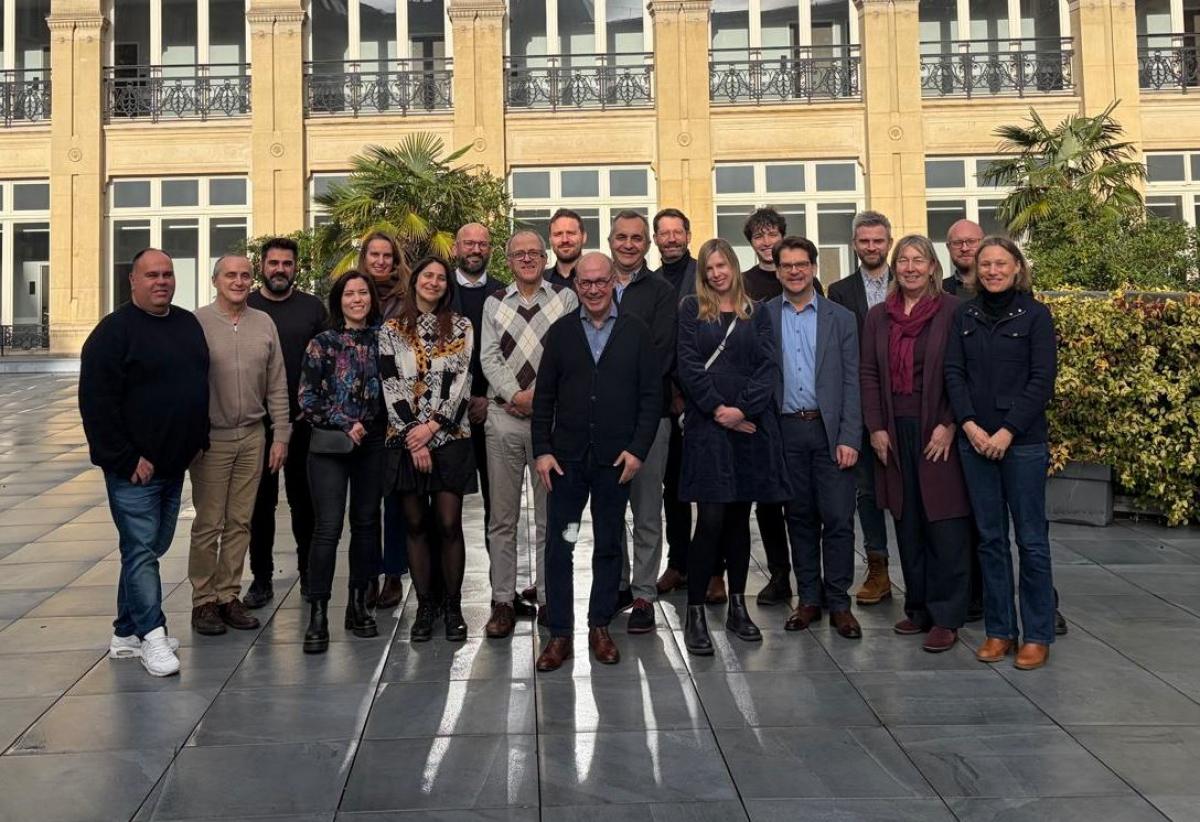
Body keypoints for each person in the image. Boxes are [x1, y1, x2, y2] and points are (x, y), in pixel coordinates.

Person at [80, 248, 208, 677]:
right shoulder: (112, 333)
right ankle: (153, 634)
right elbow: (96, 405)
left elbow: (198, 385)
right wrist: (126, 458)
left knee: (149, 548)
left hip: (174, 466)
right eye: (151, 275)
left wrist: (198, 439)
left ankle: (125, 634)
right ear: (132, 280)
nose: (161, 281)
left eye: (167, 274)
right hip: (134, 471)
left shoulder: (186, 324)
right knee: (140, 551)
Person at [531, 252, 662, 672]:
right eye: (585, 283)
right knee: (562, 545)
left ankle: (600, 626)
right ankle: (560, 634)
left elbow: (651, 396)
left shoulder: (635, 331)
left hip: (614, 463)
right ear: (576, 286)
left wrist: (638, 449)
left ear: (613, 283)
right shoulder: (562, 333)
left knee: (608, 544)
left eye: (601, 282)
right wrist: (543, 450)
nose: (593, 289)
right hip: (567, 465)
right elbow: (544, 397)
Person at [945, 237, 1058, 670]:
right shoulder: (964, 315)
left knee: (1031, 541)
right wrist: (970, 426)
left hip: (1022, 444)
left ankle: (1038, 634)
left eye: (1001, 264)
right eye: (985, 264)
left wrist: (1007, 432)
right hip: (975, 443)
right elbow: (953, 374)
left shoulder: (1035, 316)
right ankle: (1000, 631)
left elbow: (1041, 381)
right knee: (990, 541)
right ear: (976, 271)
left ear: (1017, 268)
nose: (993, 271)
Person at [676, 239, 789, 656]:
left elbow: (767, 367)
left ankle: (738, 607)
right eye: (709, 268)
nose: (716, 273)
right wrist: (718, 409)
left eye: (722, 265)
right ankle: (695, 612)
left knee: (740, 519)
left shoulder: (756, 312)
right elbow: (688, 365)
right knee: (710, 520)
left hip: (748, 430)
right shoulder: (691, 309)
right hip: (708, 431)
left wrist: (742, 410)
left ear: (734, 267)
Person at [860, 235, 971, 653]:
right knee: (907, 522)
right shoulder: (878, 316)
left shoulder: (953, 311)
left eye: (918, 260)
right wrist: (876, 427)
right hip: (894, 429)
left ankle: (947, 616)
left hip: (937, 430)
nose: (910, 268)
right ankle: (919, 607)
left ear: (932, 267)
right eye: (903, 260)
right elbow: (869, 374)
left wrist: (950, 424)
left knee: (944, 523)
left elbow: (965, 373)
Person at [480, 230, 579, 638]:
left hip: (550, 423)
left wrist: (538, 398)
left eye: (534, 253)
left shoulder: (565, 299)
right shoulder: (493, 302)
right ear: (507, 260)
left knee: (547, 518)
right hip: (504, 418)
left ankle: (548, 597)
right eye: (518, 253)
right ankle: (503, 601)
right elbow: (489, 357)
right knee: (502, 519)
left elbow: (568, 354)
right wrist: (515, 395)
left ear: (545, 257)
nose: (526, 259)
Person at [767, 237, 863, 640]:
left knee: (838, 518)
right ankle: (808, 598)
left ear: (813, 267)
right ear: (777, 271)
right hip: (786, 431)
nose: (795, 271)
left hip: (830, 431)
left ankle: (839, 602)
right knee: (799, 517)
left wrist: (850, 436)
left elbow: (853, 380)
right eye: (787, 265)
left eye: (801, 264)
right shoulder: (763, 315)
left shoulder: (841, 318)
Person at [188, 254, 289, 637]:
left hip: (252, 436)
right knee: (209, 523)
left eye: (245, 275)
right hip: (211, 440)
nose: (239, 281)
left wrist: (281, 435)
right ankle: (203, 600)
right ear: (215, 280)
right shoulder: (197, 323)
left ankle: (228, 595)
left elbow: (277, 384)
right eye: (230, 275)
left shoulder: (263, 323)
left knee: (240, 521)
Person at [379, 256, 476, 642]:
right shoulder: (391, 329)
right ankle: (425, 606)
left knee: (449, 524)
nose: (433, 282)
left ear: (447, 286)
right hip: (405, 439)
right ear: (415, 280)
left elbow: (462, 382)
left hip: (450, 436)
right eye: (427, 276)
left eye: (441, 278)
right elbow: (390, 384)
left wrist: (432, 427)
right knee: (416, 524)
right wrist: (412, 435)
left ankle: (452, 607)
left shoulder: (461, 326)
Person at [297, 270, 386, 653]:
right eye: (349, 293)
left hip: (373, 444)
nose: (357, 299)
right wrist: (345, 422)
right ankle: (318, 613)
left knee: (366, 525)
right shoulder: (322, 343)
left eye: (363, 293)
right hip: (330, 446)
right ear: (339, 300)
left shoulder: (385, 340)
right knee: (328, 528)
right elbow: (307, 397)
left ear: (371, 299)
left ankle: (358, 605)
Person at [739, 206, 824, 608]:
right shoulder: (744, 284)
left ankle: (813, 576)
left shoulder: (807, 279)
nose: (766, 241)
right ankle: (778, 574)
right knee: (770, 499)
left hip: (803, 405)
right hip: (765, 406)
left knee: (807, 502)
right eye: (759, 235)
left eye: (772, 233)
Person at [245, 237, 327, 609]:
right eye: (274, 263)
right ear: (262, 266)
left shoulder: (312, 307)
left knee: (304, 503)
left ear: (296, 267)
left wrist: (313, 407)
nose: (280, 269)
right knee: (260, 506)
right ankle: (261, 579)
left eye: (287, 264)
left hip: (303, 421)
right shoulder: (247, 306)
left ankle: (309, 575)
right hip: (258, 424)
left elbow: (326, 361)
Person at [608, 210, 678, 633]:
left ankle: (644, 595)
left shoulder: (661, 291)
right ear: (610, 241)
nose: (629, 244)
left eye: (637, 238)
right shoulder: (594, 284)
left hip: (650, 417)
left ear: (647, 244)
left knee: (648, 509)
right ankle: (617, 585)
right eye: (622, 237)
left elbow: (660, 353)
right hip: (603, 420)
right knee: (610, 509)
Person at [828, 210, 894, 608]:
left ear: (889, 243)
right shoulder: (839, 291)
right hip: (860, 401)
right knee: (866, 491)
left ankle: (922, 567)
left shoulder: (908, 282)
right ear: (854, 244)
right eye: (864, 241)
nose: (871, 247)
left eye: (878, 240)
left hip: (905, 403)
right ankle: (878, 568)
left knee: (912, 490)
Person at [651, 208, 695, 597]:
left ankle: (714, 569)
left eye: (676, 232)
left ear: (688, 235)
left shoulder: (705, 275)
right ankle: (679, 562)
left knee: (714, 490)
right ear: (655, 240)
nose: (671, 239)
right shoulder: (650, 282)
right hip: (667, 401)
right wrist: (673, 393)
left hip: (704, 399)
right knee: (674, 489)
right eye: (663, 234)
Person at [451, 223, 500, 573]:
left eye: (482, 244)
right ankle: (444, 588)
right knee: (446, 507)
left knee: (497, 507)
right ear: (456, 248)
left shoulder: (503, 292)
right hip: (447, 416)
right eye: (469, 243)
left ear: (490, 250)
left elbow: (507, 353)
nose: (475, 249)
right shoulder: (438, 289)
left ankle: (501, 586)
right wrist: (463, 399)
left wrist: (486, 397)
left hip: (492, 410)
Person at [544, 208, 588, 289]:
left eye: (571, 233)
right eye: (558, 234)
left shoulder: (601, 277)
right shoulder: (540, 281)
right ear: (550, 240)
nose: (565, 240)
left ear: (584, 237)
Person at [943, 219, 983, 295]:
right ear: (948, 248)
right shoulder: (937, 292)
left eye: (971, 241)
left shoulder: (998, 287)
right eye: (957, 243)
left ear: (983, 244)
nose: (964, 248)